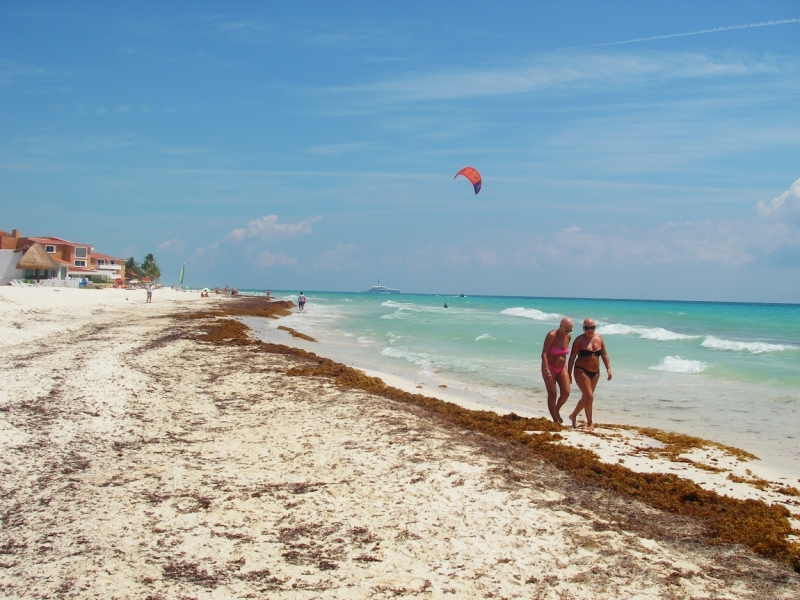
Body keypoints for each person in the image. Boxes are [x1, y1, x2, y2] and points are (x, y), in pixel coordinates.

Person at [567, 318, 612, 432]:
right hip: (581, 370)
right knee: (589, 396)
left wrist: (608, 369)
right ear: (583, 328)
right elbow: (572, 358)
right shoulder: (579, 340)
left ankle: (573, 416)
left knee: (586, 397)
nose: (589, 330)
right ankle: (590, 423)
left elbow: (604, 354)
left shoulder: (599, 339)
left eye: (592, 327)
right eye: (586, 328)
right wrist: (569, 373)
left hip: (595, 372)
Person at [541, 317, 573, 423]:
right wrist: (546, 370)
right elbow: (544, 354)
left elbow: (565, 356)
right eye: (566, 329)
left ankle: (556, 410)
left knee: (566, 392)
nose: (567, 332)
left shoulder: (568, 337)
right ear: (560, 326)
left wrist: (568, 372)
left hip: (562, 367)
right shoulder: (552, 335)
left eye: (570, 330)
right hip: (550, 366)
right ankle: (555, 420)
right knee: (552, 394)